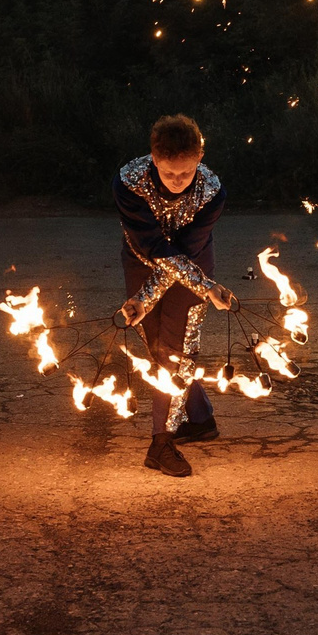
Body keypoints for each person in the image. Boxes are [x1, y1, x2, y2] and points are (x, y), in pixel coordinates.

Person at [115, 113, 236, 478]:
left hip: (194, 267)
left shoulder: (212, 191)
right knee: (155, 345)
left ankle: (161, 442)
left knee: (176, 350)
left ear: (200, 156)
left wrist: (206, 287)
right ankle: (198, 419)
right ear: (154, 159)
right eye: (169, 174)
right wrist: (144, 300)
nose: (177, 181)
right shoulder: (129, 182)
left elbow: (184, 250)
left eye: (185, 173)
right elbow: (153, 246)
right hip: (142, 260)